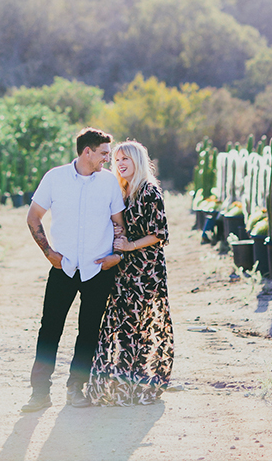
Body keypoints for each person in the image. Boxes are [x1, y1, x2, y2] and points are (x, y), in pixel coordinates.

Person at [21, 127, 126, 412]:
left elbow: (119, 223)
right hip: (63, 268)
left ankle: (75, 389)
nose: (108, 159)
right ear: (87, 151)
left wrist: (116, 255)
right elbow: (33, 218)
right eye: (104, 153)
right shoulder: (54, 178)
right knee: (49, 330)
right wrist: (48, 252)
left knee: (88, 332)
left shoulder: (109, 183)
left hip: (98, 269)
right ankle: (39, 393)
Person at [86, 139, 174, 406]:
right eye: (117, 160)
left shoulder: (149, 191)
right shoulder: (122, 191)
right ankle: (117, 387)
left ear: (138, 161)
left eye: (126, 159)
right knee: (120, 327)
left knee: (138, 329)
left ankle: (136, 387)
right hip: (123, 270)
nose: (120, 164)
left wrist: (130, 245)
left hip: (146, 272)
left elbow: (160, 234)